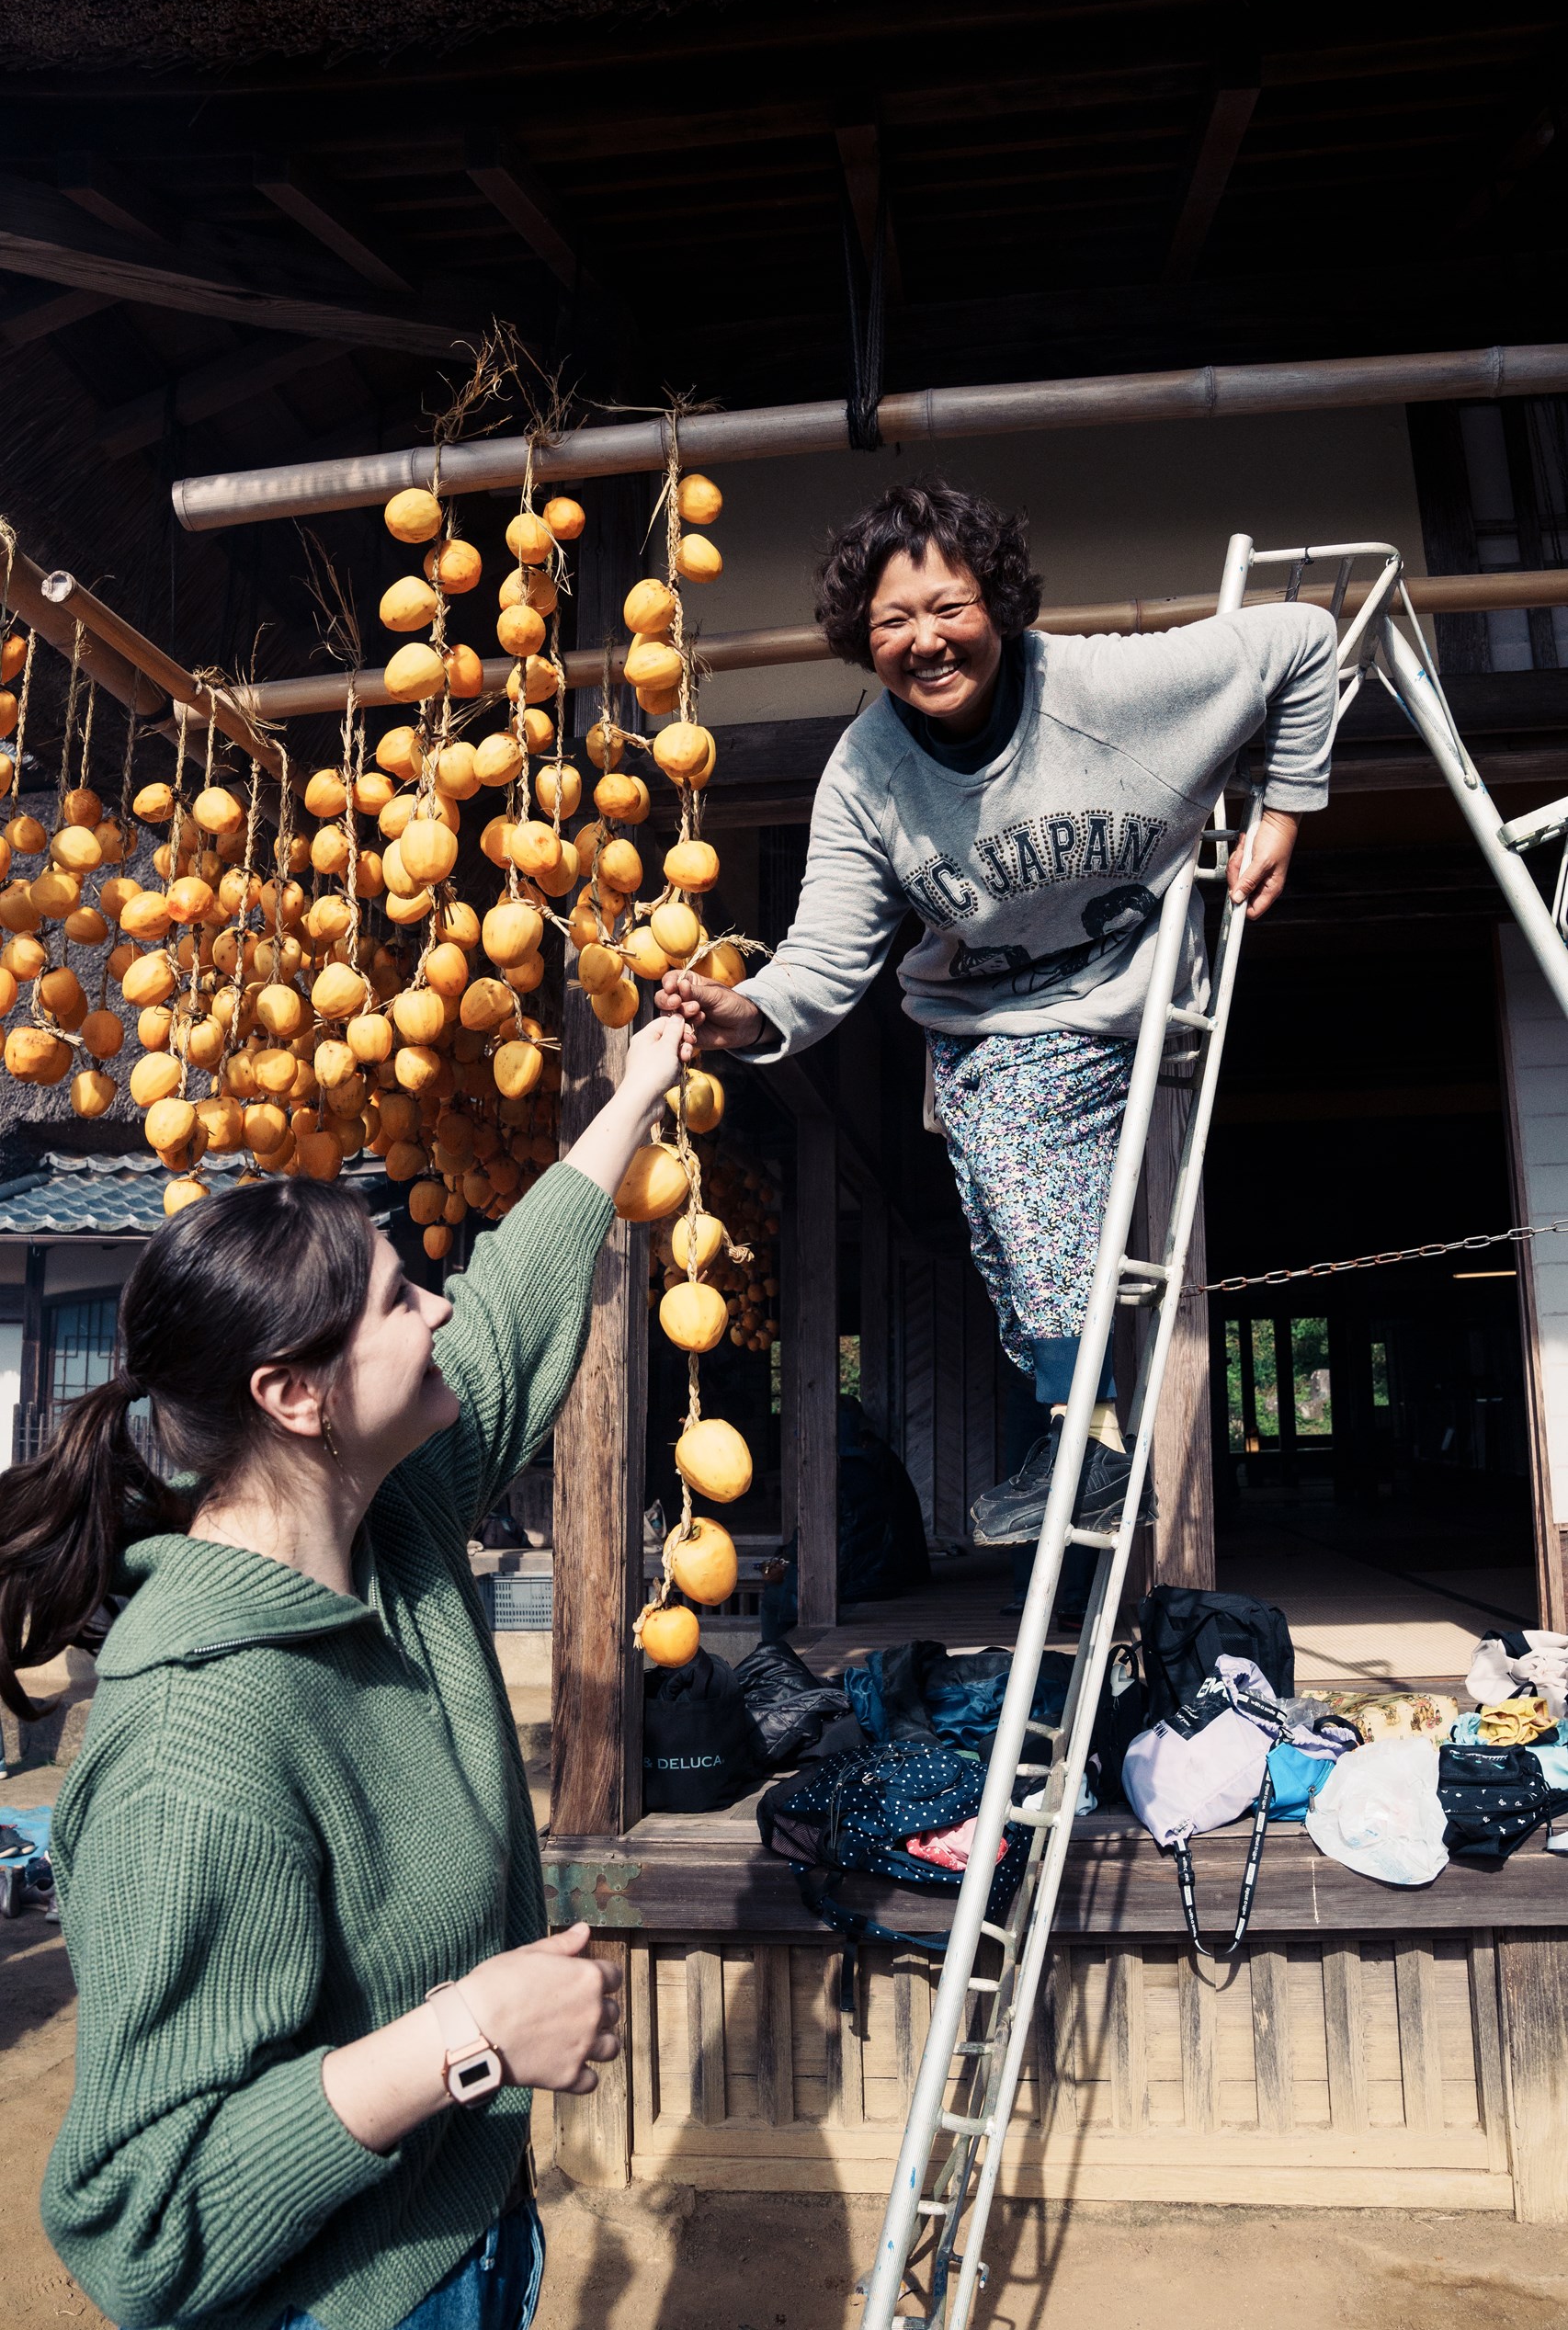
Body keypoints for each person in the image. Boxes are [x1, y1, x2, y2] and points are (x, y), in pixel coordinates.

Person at [0, 1015, 687, 2330]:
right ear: (295, 1395)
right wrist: (464, 2039)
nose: (436, 1303)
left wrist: (635, 1088)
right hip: (325, 2305)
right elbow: (142, 2218)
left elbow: (508, 1314)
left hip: (460, 2243)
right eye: (395, 1297)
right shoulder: (197, 1745)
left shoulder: (397, 1516)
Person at [659, 476, 1335, 1609]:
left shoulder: (1106, 686)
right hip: (992, 1021)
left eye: (947, 606)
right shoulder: (865, 777)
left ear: (997, 602)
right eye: (890, 622)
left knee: (1024, 1179)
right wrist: (745, 1013)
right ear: (860, 641)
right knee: (1018, 1239)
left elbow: (1302, 640)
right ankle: (1083, 1441)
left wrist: (1283, 809)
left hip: (1135, 979)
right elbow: (826, 954)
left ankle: (1081, 1446)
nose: (924, 641)